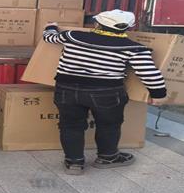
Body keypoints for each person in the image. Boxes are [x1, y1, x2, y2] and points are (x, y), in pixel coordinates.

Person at [42, 9, 168, 175]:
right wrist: (158, 94)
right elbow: (149, 73)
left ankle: (74, 162)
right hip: (107, 92)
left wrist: (51, 27)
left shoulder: (72, 36)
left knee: (70, 125)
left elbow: (49, 37)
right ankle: (108, 157)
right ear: (128, 28)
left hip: (67, 89)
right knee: (109, 125)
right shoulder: (134, 48)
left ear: (97, 24)